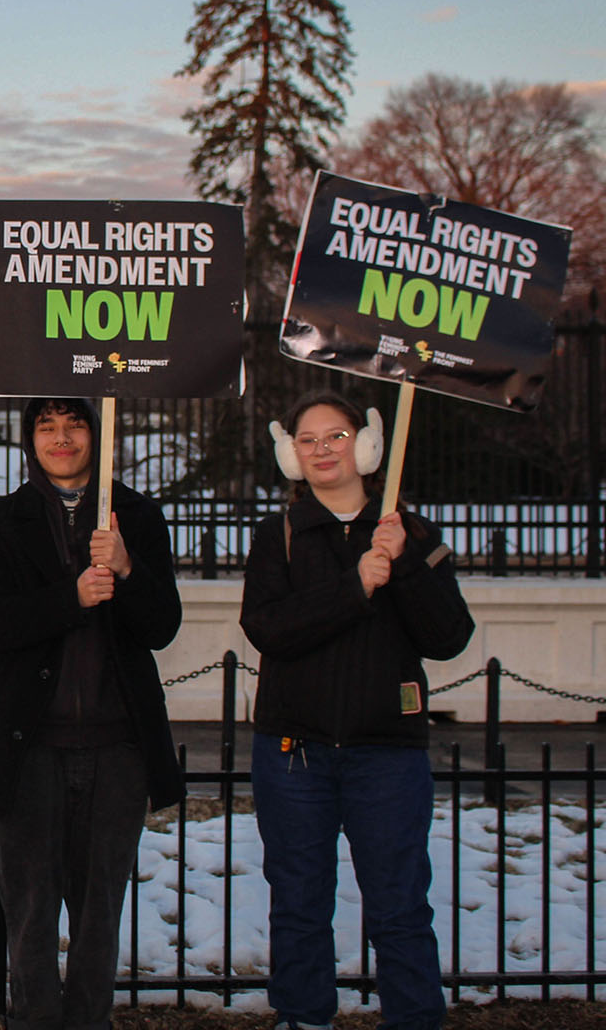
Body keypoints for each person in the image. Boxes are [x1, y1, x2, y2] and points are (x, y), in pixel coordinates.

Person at [241, 391, 475, 1030]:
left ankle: (414, 1017)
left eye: (336, 436)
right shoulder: (280, 534)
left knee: (400, 903)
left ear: (367, 445)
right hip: (295, 754)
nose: (322, 450)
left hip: (387, 753)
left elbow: (449, 636)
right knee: (298, 902)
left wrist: (403, 568)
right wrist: (355, 587)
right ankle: (305, 1015)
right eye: (308, 439)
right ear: (290, 453)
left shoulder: (412, 531)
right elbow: (269, 628)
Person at [0, 397, 183, 1030]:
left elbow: (162, 625)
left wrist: (126, 567)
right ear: (30, 438)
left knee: (98, 913)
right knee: (29, 912)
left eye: (75, 424)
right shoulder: (3, 520)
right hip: (30, 746)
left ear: (98, 432)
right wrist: (72, 596)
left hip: (117, 750)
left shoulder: (136, 516)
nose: (61, 438)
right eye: (46, 426)